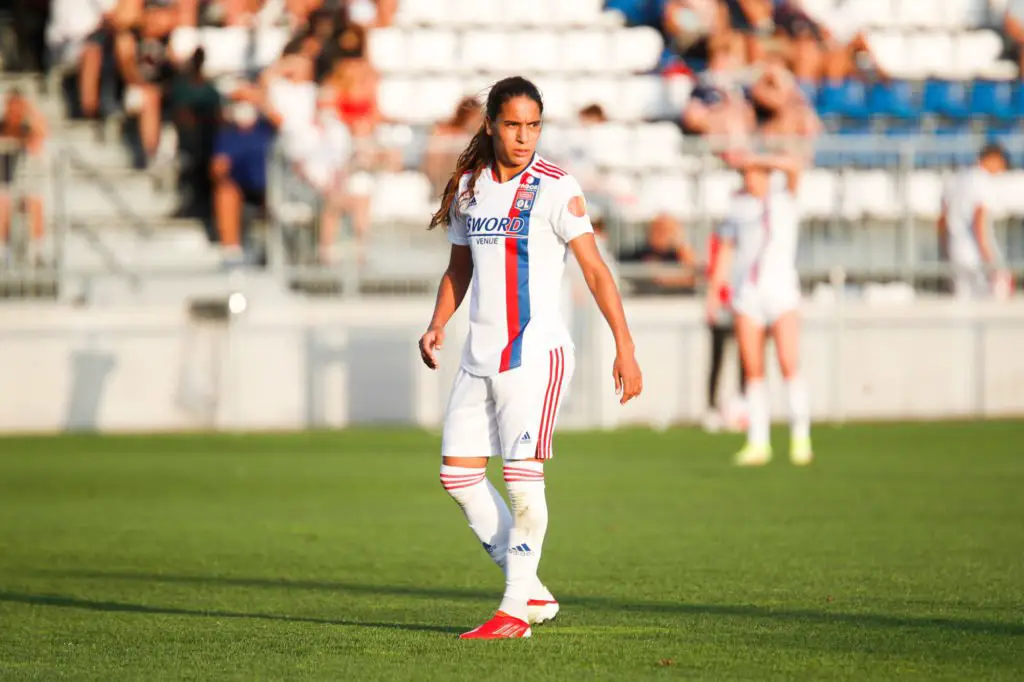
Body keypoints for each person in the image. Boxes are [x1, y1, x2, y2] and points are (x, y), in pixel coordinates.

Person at [418, 76, 643, 640]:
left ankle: (514, 610)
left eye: (534, 125)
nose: (524, 136)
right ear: (491, 125)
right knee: (457, 476)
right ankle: (532, 589)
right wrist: (438, 322)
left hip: (535, 356)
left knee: (522, 481)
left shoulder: (556, 186)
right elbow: (459, 269)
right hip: (479, 356)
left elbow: (595, 271)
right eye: (513, 125)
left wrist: (625, 345)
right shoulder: (470, 188)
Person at [705, 148, 812, 467]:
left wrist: (758, 159)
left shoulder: (784, 201)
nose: (749, 179)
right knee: (753, 371)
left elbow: (794, 165)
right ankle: (758, 441)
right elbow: (726, 251)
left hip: (781, 294)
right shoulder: (738, 207)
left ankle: (800, 436)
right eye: (746, 173)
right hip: (747, 295)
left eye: (754, 173)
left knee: (788, 364)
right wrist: (714, 293)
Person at [937, 143, 1011, 300]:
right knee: (984, 305)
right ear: (992, 159)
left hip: (955, 252)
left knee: (961, 303)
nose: (1001, 170)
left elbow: (942, 220)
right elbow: (980, 221)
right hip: (975, 255)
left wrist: (944, 251)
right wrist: (992, 262)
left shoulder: (956, 179)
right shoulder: (982, 181)